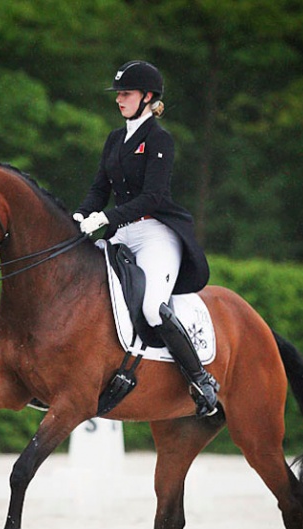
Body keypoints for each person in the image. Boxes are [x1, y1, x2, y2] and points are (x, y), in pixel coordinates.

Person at [74, 60, 219, 417]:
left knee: (154, 305)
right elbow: (99, 188)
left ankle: (201, 379)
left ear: (148, 97)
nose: (119, 99)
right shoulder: (114, 138)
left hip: (155, 233)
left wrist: (105, 217)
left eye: (126, 93)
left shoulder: (159, 139)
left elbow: (153, 196)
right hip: (122, 233)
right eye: (119, 94)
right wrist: (79, 216)